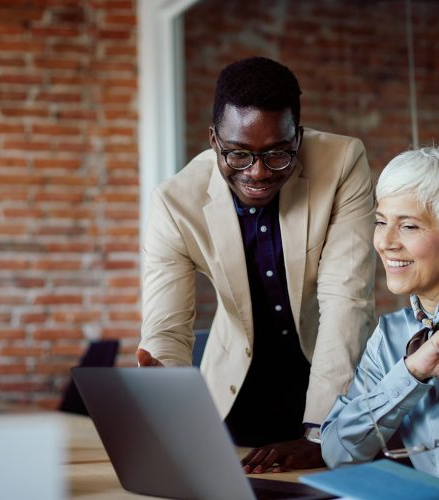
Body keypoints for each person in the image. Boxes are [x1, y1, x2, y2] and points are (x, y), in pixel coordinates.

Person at [137, 56, 376, 471]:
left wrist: (324, 432)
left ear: (297, 138)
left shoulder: (342, 163)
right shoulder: (175, 203)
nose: (259, 173)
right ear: (214, 140)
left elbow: (346, 300)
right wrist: (170, 406)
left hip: (332, 379)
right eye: (238, 155)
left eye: (277, 155)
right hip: (234, 392)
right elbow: (166, 329)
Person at [321, 145, 439, 480]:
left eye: (409, 226)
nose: (385, 242)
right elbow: (338, 452)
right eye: (381, 222)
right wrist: (411, 372)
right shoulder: (392, 335)